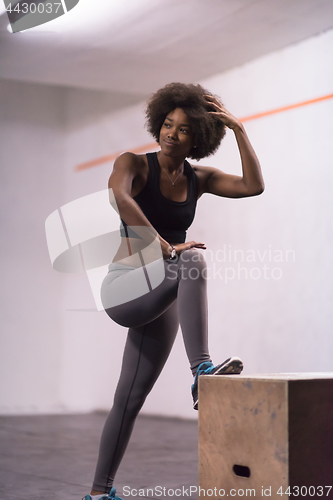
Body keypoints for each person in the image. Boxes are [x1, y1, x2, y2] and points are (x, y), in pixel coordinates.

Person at [82, 82, 264, 500]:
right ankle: (202, 372)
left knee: (129, 399)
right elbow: (117, 196)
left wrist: (238, 129)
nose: (171, 133)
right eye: (167, 124)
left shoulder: (200, 178)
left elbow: (253, 186)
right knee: (193, 259)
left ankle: (98, 492)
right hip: (125, 286)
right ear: (157, 124)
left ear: (197, 138)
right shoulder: (134, 164)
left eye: (183, 129)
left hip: (163, 290)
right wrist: (162, 245)